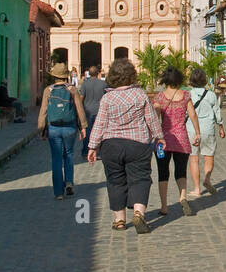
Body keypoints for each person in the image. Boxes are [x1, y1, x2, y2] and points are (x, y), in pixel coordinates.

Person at [87, 58, 165, 234]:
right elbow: (151, 119)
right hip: (138, 144)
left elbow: (100, 123)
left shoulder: (107, 98)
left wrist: (92, 147)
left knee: (115, 180)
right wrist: (159, 137)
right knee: (140, 178)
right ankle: (138, 213)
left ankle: (119, 220)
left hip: (111, 145)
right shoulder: (140, 95)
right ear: (132, 76)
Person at [153, 67, 201, 217]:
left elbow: (155, 118)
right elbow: (192, 114)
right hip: (182, 138)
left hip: (163, 140)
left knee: (163, 172)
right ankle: (183, 197)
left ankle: (164, 206)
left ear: (165, 79)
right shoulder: (185, 95)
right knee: (181, 171)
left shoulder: (160, 97)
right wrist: (198, 133)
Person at [38, 63, 88, 200]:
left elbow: (43, 111)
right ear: (65, 76)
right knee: (69, 155)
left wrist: (41, 129)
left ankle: (58, 193)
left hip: (53, 128)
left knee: (56, 159)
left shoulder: (48, 90)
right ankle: (69, 182)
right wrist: (83, 126)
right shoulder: (72, 89)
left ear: (53, 76)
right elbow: (79, 109)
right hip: (70, 127)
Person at [186, 67, 224, 198]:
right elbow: (217, 112)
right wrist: (221, 126)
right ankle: (207, 179)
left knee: (194, 159)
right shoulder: (211, 95)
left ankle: (196, 189)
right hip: (208, 128)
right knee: (209, 157)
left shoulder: (188, 95)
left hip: (191, 129)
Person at [79, 65, 108, 152]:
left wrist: (79, 110)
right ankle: (100, 150)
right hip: (100, 111)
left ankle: (85, 150)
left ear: (89, 73)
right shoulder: (103, 84)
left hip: (87, 111)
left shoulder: (84, 84)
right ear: (98, 73)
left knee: (87, 131)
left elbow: (81, 97)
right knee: (101, 131)